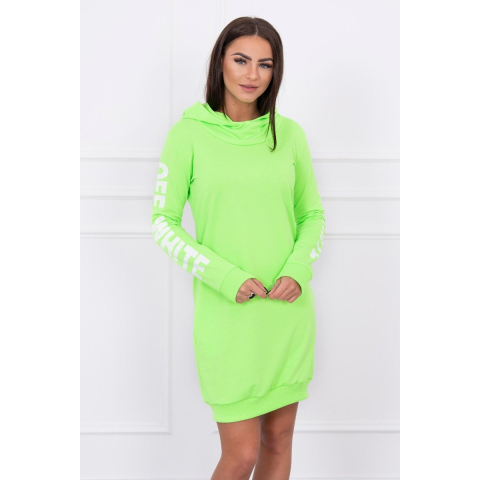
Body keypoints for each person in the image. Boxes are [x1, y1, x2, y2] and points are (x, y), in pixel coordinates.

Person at [151, 16, 326, 480]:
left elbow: (312, 215)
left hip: (286, 313)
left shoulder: (289, 134)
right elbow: (163, 224)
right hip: (227, 317)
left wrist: (298, 271)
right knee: (241, 454)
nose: (252, 74)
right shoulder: (187, 135)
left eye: (264, 64)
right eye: (241, 60)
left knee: (279, 440)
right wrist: (225, 277)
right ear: (220, 63)